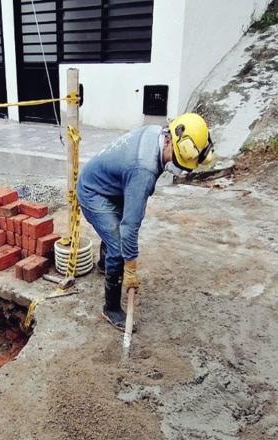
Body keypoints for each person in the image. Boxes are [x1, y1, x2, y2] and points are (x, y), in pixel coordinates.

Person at [77, 113, 214, 331]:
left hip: (109, 183)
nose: (176, 166)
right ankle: (111, 308)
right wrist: (130, 268)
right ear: (170, 139)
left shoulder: (156, 132)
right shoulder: (143, 170)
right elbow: (130, 226)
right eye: (175, 158)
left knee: (116, 231)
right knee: (119, 245)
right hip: (92, 191)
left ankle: (106, 265)